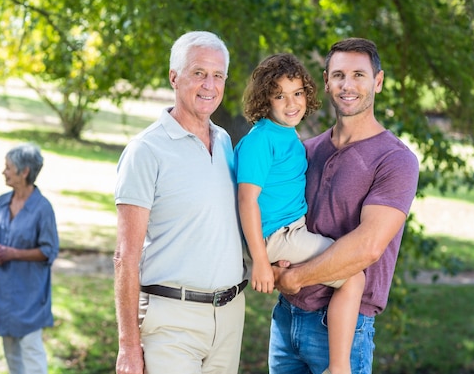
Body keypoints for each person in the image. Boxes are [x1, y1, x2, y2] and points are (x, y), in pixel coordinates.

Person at [270, 38, 420, 374]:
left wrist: (294, 277)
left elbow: (368, 247)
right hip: (285, 320)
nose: (347, 85)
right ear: (325, 81)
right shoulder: (305, 151)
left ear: (377, 81)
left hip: (343, 331)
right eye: (338, 75)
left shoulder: (395, 160)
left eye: (358, 75)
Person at [114, 31, 247, 374]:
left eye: (218, 75)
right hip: (171, 321)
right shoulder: (146, 151)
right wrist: (128, 347)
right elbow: (125, 257)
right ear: (174, 77)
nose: (209, 85)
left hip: (229, 318)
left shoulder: (224, 141)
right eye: (199, 73)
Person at [235, 53, 365, 374]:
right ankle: (339, 367)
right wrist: (262, 262)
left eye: (297, 93)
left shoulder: (287, 135)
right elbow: (247, 201)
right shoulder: (261, 140)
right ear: (266, 99)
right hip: (276, 236)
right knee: (353, 275)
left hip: (287, 232)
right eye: (280, 95)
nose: (291, 103)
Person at [0, 143, 59, 374]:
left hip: (31, 292)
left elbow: (49, 250)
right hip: (5, 291)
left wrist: (12, 253)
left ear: (24, 171)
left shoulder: (42, 208)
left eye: (8, 167)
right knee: (11, 352)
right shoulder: (0, 203)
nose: (3, 172)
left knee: (31, 351)